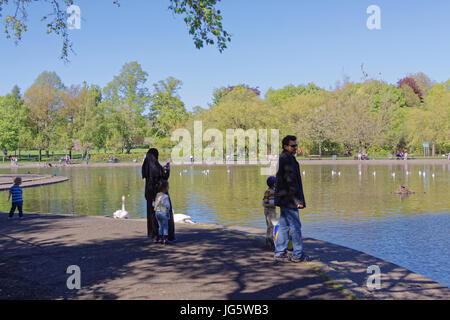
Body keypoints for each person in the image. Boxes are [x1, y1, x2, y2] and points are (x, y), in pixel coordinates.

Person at [274, 135, 308, 263]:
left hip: (284, 198)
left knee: (284, 226)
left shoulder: (285, 158)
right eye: (293, 146)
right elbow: (291, 182)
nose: (295, 148)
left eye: (296, 145)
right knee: (295, 227)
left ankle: (280, 252)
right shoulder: (287, 159)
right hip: (289, 199)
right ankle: (298, 254)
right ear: (285, 146)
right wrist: (297, 201)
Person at [142, 148, 175, 241]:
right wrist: (167, 169)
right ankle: (166, 235)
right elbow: (164, 177)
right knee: (164, 213)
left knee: (152, 214)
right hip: (159, 193)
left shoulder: (146, 166)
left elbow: (147, 175)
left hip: (149, 193)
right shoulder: (157, 167)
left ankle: (154, 235)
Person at [154, 180, 171, 244]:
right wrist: (168, 210)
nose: (168, 188)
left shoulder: (157, 195)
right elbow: (167, 205)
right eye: (167, 187)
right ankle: (165, 239)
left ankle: (160, 238)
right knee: (165, 226)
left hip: (157, 213)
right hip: (164, 213)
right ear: (164, 188)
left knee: (160, 226)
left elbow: (154, 204)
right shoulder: (165, 196)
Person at [262, 176, 277, 250]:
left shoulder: (266, 191)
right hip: (271, 211)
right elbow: (272, 202)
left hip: (266, 210)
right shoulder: (272, 192)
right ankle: (272, 242)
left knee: (268, 226)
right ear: (274, 184)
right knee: (273, 226)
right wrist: (278, 202)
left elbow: (263, 202)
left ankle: (268, 241)